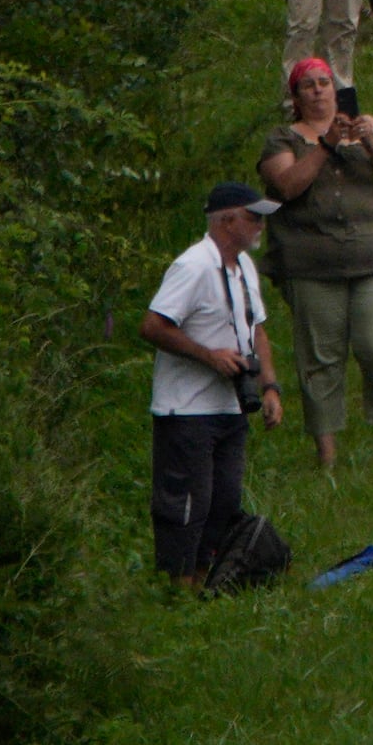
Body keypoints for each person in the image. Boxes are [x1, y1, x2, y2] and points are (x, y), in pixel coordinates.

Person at [259, 59, 373, 464]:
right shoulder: (283, 140)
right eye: (307, 85)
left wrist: (372, 145)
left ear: (335, 90)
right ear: (295, 97)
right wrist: (326, 145)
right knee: (320, 356)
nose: (317, 91)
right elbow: (288, 186)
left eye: (324, 83)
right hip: (312, 262)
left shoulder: (370, 127)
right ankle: (327, 454)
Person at [140, 177, 276, 585]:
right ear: (227, 220)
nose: (260, 227)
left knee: (224, 500)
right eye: (254, 218)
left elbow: (258, 331)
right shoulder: (193, 265)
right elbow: (152, 326)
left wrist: (270, 386)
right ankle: (176, 588)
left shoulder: (243, 266)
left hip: (231, 405)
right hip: (187, 409)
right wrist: (209, 356)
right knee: (186, 503)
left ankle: (202, 580)